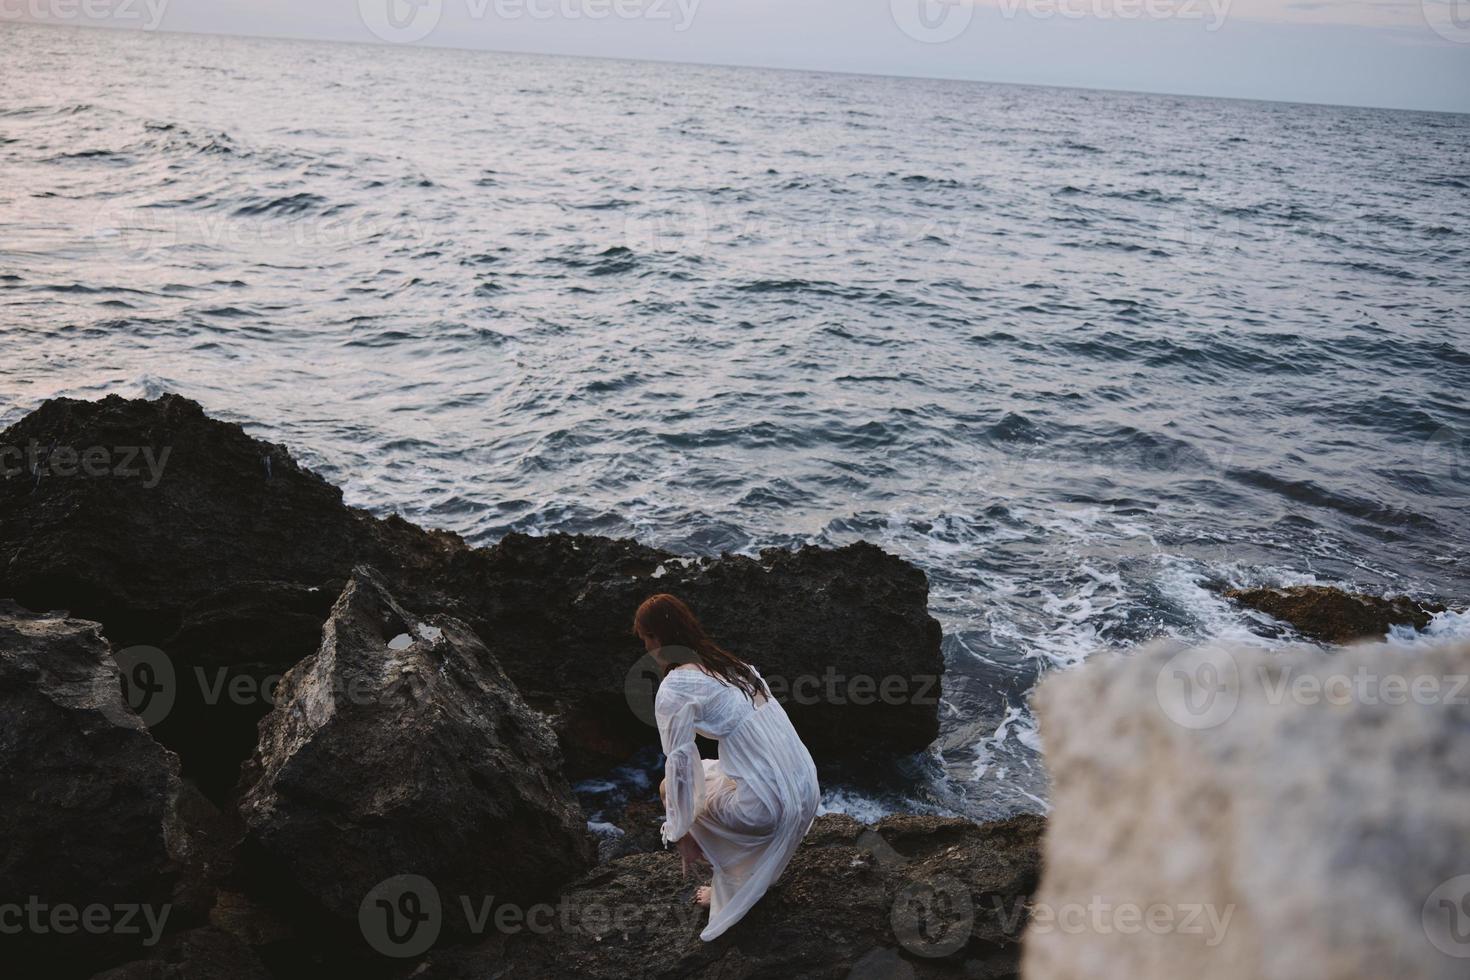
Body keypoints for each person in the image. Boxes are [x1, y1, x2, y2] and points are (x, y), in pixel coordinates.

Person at [633, 593, 821, 941]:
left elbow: (678, 766)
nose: (645, 647)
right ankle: (750, 874)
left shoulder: (675, 685)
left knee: (669, 789)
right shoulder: (735, 666)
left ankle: (730, 883)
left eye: (644, 638)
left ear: (656, 637)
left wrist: (681, 833)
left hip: (767, 805)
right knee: (713, 778)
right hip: (805, 788)